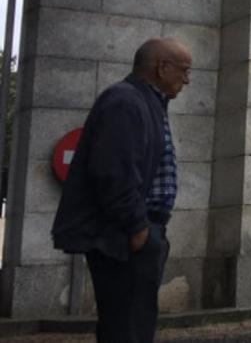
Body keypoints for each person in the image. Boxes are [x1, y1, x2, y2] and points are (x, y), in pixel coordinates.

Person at [52, 37, 192, 343]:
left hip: (138, 234)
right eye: (184, 70)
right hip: (124, 237)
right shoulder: (125, 101)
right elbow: (113, 171)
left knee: (133, 324)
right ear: (162, 67)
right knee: (127, 329)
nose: (187, 79)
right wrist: (137, 227)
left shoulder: (147, 102)